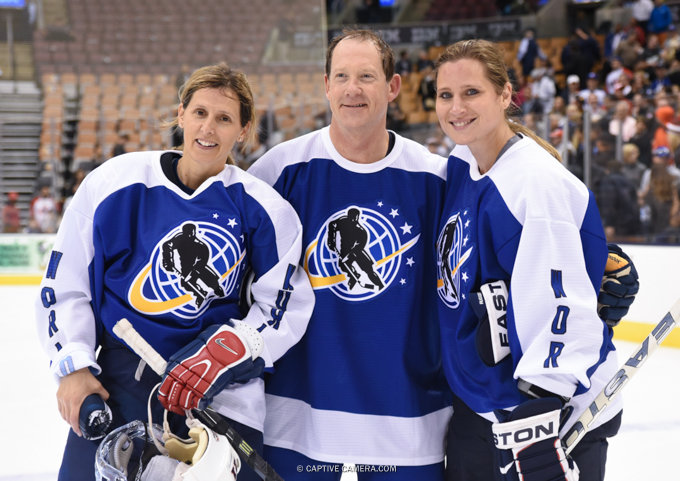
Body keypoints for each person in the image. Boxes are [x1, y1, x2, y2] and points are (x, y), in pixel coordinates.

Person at [34, 63, 315, 481]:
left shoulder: (265, 208)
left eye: (224, 118)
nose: (208, 128)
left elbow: (283, 305)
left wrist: (225, 353)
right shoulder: (114, 184)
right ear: (180, 113)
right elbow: (65, 284)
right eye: (200, 112)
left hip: (219, 394)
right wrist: (73, 368)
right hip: (119, 386)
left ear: (243, 130)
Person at [247, 28, 452, 479]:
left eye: (366, 76)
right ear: (326, 86)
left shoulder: (435, 178)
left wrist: (593, 258)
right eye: (341, 76)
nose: (352, 89)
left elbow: (493, 243)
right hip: (296, 417)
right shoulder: (279, 170)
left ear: (393, 87)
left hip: (406, 419)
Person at [433, 39, 625, 481]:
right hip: (482, 406)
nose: (456, 107)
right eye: (446, 95)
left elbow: (562, 302)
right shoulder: (463, 163)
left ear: (505, 95)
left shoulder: (534, 183)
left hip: (539, 421)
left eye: (471, 92)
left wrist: (540, 414)